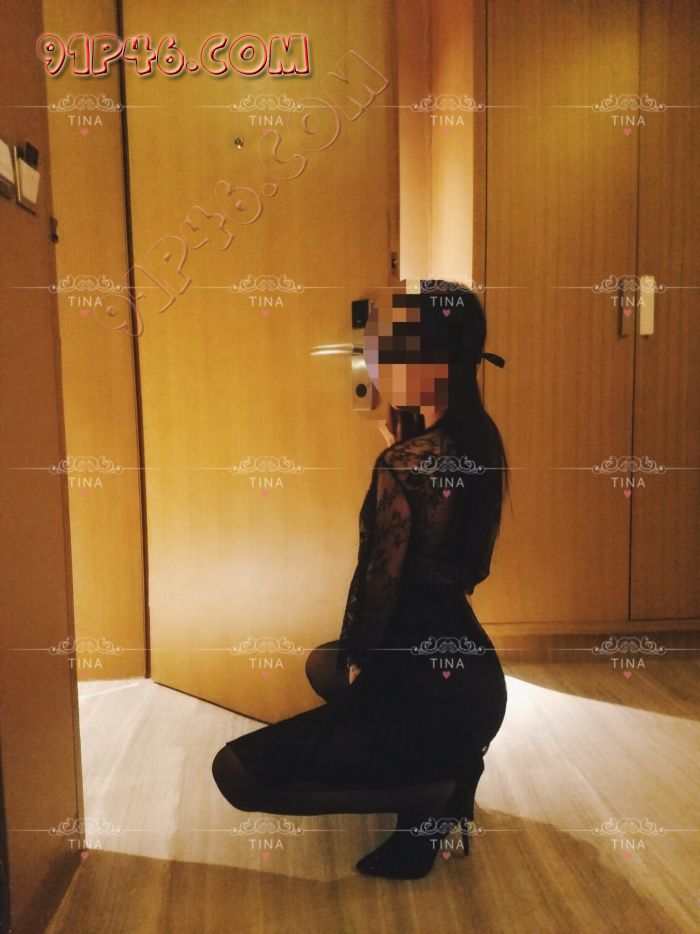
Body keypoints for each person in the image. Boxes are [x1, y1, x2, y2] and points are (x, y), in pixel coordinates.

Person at [212, 280, 510, 879]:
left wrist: (365, 661)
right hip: (474, 683)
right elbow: (466, 569)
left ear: (432, 363)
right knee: (324, 665)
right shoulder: (480, 439)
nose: (376, 362)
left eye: (392, 352)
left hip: (424, 687)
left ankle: (429, 793)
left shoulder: (402, 464)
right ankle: (449, 770)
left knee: (236, 771)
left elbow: (378, 585)